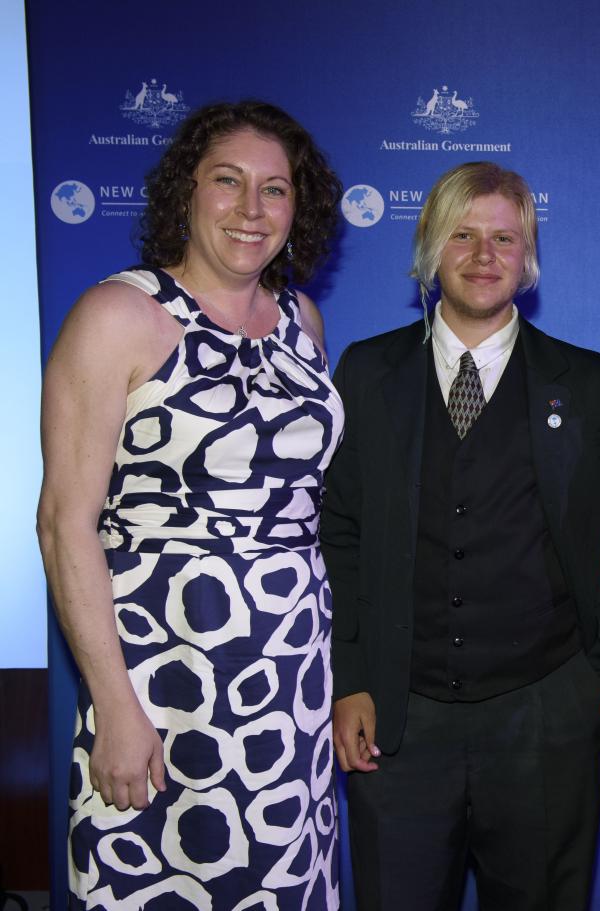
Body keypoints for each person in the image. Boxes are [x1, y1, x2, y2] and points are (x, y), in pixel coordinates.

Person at [37, 100, 344, 909]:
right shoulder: (118, 316)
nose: (251, 209)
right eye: (227, 181)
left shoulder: (302, 323)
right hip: (159, 672)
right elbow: (64, 522)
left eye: (275, 189)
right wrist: (112, 703)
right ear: (185, 192)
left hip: (290, 675)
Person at [322, 161, 600, 911]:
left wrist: (591, 688)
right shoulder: (368, 371)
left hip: (544, 718)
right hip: (396, 719)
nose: (483, 254)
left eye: (504, 237)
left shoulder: (583, 379)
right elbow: (340, 532)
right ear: (429, 247)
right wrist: (352, 678)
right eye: (462, 234)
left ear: (528, 259)